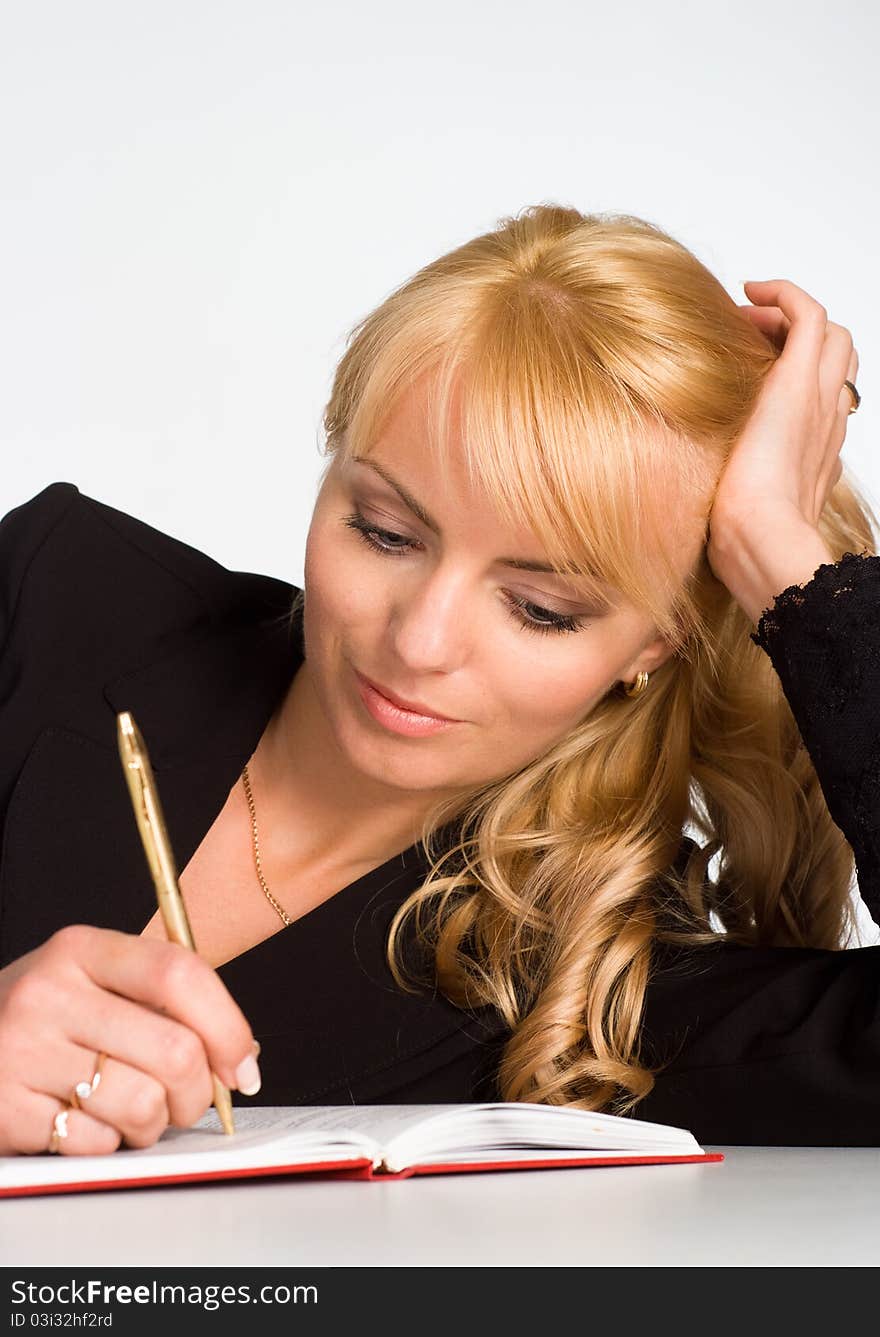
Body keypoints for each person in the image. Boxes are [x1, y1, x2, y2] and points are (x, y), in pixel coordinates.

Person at [0, 204, 876, 1159]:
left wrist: (788, 566)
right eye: (383, 531)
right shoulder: (53, 596)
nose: (419, 643)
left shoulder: (606, 1004)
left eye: (541, 607)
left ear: (654, 645)